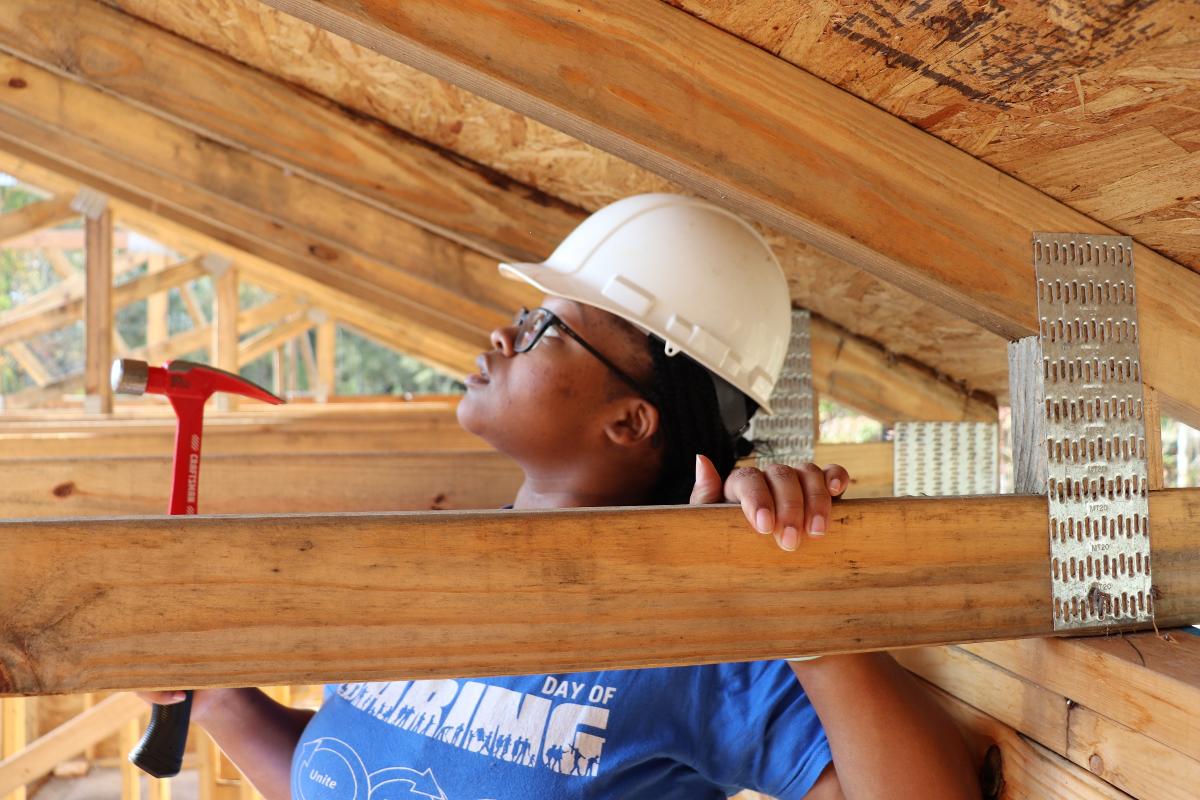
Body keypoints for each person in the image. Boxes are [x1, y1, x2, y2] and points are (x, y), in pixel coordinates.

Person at [138, 195, 978, 798]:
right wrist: (219, 700)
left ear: (629, 420)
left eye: (546, 329)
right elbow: (350, 778)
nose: (503, 335)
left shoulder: (701, 626)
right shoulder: (425, 573)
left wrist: (812, 610)